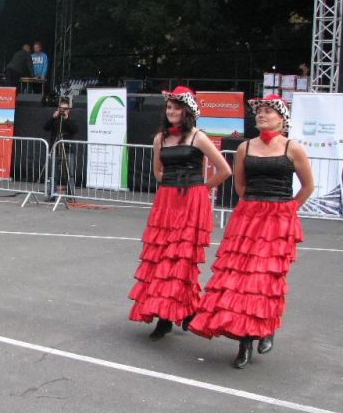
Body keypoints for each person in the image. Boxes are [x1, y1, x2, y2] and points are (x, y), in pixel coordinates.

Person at [189, 94, 314, 368]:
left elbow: (307, 186)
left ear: (281, 118)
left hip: (279, 219)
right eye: (259, 111)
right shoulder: (245, 147)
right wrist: (254, 206)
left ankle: (266, 327)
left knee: (266, 279)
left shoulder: (293, 148)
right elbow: (240, 186)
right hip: (248, 216)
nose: (262, 114)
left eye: (268, 111)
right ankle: (244, 342)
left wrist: (288, 210)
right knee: (241, 279)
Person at [128, 87, 232, 339]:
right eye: (169, 107)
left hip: (191, 202)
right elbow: (157, 172)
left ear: (187, 111)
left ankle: (177, 312)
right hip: (167, 201)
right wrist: (172, 183)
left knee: (181, 260)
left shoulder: (198, 137)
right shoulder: (160, 138)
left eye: (176, 107)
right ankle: (168, 315)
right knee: (162, 257)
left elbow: (224, 170)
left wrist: (200, 187)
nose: (171, 111)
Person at [43, 99, 78, 196]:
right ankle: (52, 193)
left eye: (66, 109)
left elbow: (75, 130)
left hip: (68, 149)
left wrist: (67, 119)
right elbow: (45, 127)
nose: (63, 111)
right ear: (58, 109)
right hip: (55, 149)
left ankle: (70, 195)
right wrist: (53, 117)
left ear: (69, 110)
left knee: (70, 173)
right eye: (61, 109)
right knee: (54, 173)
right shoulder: (55, 119)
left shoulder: (71, 119)